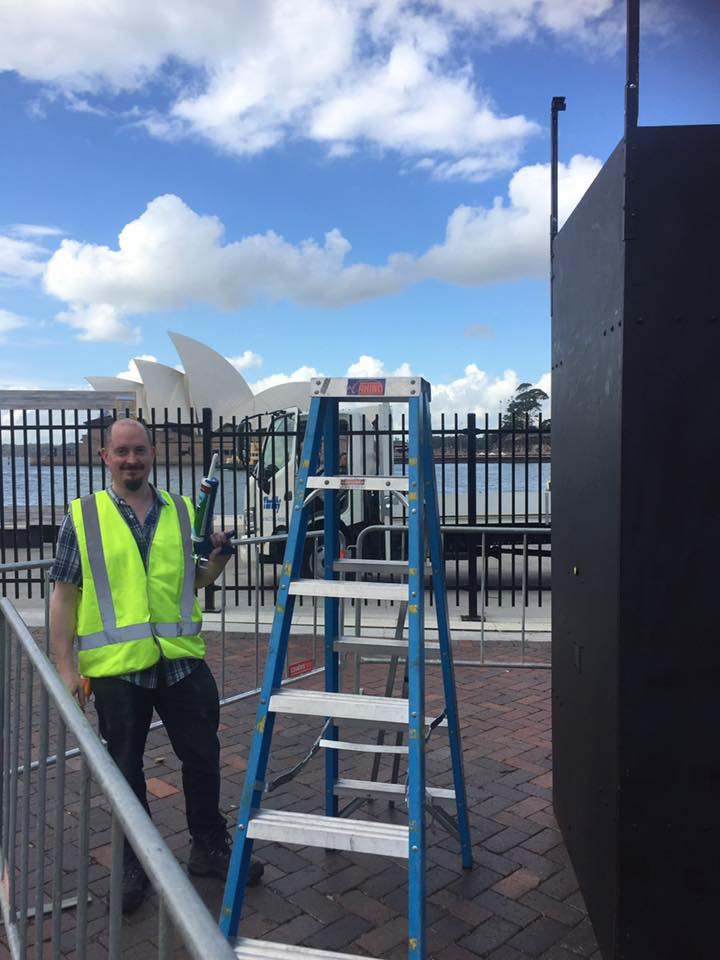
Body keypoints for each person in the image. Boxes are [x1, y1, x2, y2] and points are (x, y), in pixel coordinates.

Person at [49, 417, 263, 914]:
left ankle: (208, 846)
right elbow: (63, 596)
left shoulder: (183, 511)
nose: (131, 460)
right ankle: (134, 862)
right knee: (125, 772)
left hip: (182, 664)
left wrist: (220, 560)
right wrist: (65, 668)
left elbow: (194, 581)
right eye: (121, 451)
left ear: (152, 455)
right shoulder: (82, 516)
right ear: (105, 457)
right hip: (118, 670)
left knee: (203, 757)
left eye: (140, 451)